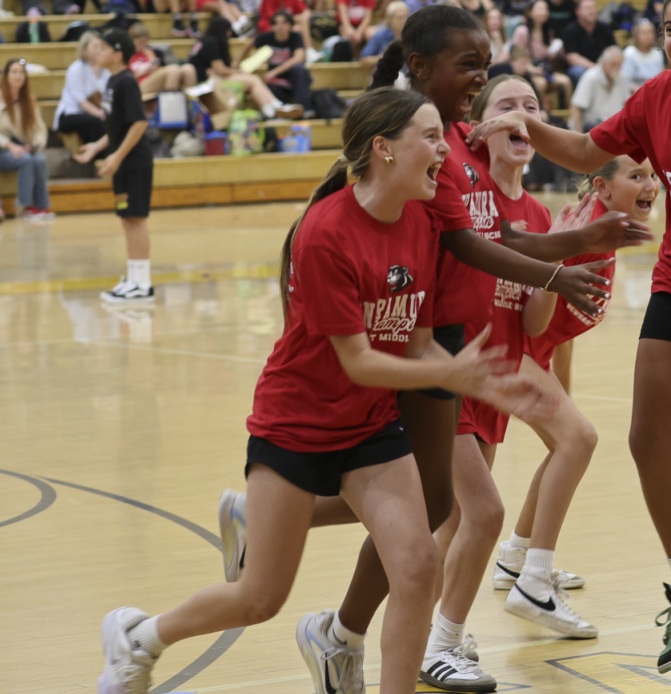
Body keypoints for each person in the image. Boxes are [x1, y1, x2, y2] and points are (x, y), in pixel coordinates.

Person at [215, 10, 651, 694]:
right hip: (429, 342)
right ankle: (423, 632)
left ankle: (337, 622)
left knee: (435, 508)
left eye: (495, 71)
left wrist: (569, 250)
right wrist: (562, 264)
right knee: (451, 509)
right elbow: (471, 245)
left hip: (457, 341)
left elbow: (499, 238)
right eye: (477, 74)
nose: (487, 88)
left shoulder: (454, 149)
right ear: (419, 70)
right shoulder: (428, 145)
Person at [95, 85, 552, 694]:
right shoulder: (325, 231)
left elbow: (413, 339)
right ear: (384, 150)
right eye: (431, 136)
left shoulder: (419, 220)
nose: (446, 149)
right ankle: (142, 637)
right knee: (260, 597)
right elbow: (358, 359)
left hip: (370, 428)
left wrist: (475, 375)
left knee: (416, 568)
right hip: (296, 424)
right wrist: (450, 374)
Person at [468, 0, 671, 687]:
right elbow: (588, 152)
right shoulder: (654, 97)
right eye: (670, 29)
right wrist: (526, 121)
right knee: (647, 438)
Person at [422, 75, 604, 692]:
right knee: (476, 514)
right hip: (452, 359)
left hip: (501, 366)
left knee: (453, 521)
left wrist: (560, 268)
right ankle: (447, 633)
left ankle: (437, 633)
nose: (520, 116)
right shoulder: (461, 179)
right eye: (505, 106)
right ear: (478, 126)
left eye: (531, 107)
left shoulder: (537, 210)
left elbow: (532, 320)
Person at [496, 151, 660, 599]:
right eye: (636, 176)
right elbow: (541, 298)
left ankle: (516, 558)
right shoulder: (581, 230)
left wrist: (560, 389)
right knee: (578, 441)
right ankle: (533, 581)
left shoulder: (600, 225)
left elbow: (560, 331)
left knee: (565, 443)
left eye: (651, 175)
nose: (649, 184)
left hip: (536, 352)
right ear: (604, 187)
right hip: (509, 348)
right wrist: (557, 268)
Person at [73, 31, 155, 304]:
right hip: (122, 163)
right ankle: (133, 279)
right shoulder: (112, 81)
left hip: (134, 163)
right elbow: (117, 126)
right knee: (127, 219)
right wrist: (97, 147)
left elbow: (139, 123)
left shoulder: (127, 82)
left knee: (136, 218)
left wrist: (117, 156)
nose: (96, 52)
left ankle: (143, 283)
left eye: (103, 47)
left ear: (117, 54)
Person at [182, 17, 305, 120]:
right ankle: (272, 108)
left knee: (252, 79)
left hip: (205, 83)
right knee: (252, 80)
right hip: (206, 86)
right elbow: (220, 70)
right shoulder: (212, 42)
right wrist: (237, 71)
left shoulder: (204, 41)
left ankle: (273, 108)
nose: (229, 34)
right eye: (228, 30)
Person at [0, 59, 53, 221]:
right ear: (6, 75)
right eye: (14, 72)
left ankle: (42, 207)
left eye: (21, 72)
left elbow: (39, 128)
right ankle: (25, 205)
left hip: (23, 146)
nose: (18, 76)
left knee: (39, 159)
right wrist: (10, 145)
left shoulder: (29, 99)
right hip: (4, 148)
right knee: (26, 160)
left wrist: (36, 144)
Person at [238, 11, 313, 113]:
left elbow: (298, 58)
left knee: (299, 69)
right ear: (272, 26)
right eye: (276, 23)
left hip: (292, 76)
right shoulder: (266, 37)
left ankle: (305, 110)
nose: (280, 27)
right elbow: (249, 44)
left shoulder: (296, 37)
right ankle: (284, 113)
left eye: (284, 23)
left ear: (291, 25)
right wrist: (238, 63)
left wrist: (275, 72)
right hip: (276, 81)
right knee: (272, 87)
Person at [54, 31, 111, 149]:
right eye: (95, 46)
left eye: (101, 47)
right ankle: (98, 156)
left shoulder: (105, 71)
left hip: (93, 113)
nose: (98, 50)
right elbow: (81, 101)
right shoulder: (76, 69)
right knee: (95, 122)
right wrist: (100, 113)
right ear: (85, 49)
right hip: (70, 114)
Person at [569, 45, 627, 133]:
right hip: (592, 129)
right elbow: (576, 107)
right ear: (603, 63)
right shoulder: (591, 77)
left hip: (615, 129)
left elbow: (626, 106)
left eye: (619, 65)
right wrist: (579, 136)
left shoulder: (622, 79)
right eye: (613, 64)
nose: (617, 68)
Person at [129, 21, 195, 94]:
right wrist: (144, 72)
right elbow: (124, 79)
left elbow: (157, 71)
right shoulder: (126, 55)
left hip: (153, 82)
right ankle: (170, 103)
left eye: (144, 43)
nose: (142, 46)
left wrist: (153, 63)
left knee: (188, 69)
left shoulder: (148, 52)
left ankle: (191, 102)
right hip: (138, 85)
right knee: (173, 70)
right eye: (139, 43)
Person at [561, 0, 615, 85]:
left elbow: (613, 50)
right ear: (577, 11)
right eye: (587, 8)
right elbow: (572, 57)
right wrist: (596, 68)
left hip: (603, 66)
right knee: (578, 72)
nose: (591, 11)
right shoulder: (570, 30)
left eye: (593, 7)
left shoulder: (605, 29)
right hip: (583, 67)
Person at [361, 0, 409, 67]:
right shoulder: (380, 36)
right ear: (390, 19)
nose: (404, 21)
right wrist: (384, 57)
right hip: (386, 75)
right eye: (400, 18)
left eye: (406, 17)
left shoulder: (411, 36)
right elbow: (363, 60)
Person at [622, 18, 665, 92]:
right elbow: (625, 81)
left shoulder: (657, 53)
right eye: (644, 33)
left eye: (650, 32)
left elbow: (661, 79)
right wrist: (641, 91)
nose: (648, 36)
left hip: (654, 92)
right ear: (637, 35)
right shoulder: (629, 53)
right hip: (634, 94)